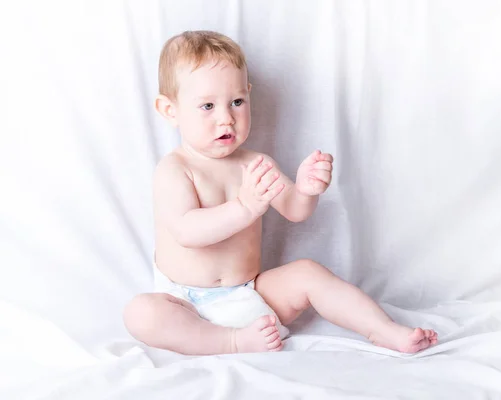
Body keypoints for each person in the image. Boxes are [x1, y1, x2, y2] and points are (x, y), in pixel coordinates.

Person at [123, 30, 438, 355]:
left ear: (249, 95)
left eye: (237, 102)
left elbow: (295, 210)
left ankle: (382, 330)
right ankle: (230, 342)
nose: (226, 118)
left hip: (249, 296)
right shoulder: (175, 169)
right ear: (169, 110)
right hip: (184, 304)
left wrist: (306, 189)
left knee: (308, 273)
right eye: (207, 106)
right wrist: (245, 206)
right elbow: (187, 231)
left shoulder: (255, 165)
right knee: (141, 314)